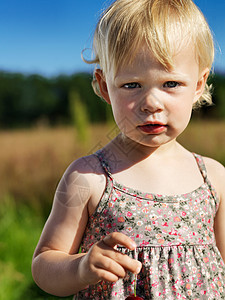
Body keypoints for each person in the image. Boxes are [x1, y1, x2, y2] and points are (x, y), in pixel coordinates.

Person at [32, 0, 225, 299]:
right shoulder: (88, 177)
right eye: (132, 85)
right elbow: (45, 264)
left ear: (199, 84)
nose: (151, 103)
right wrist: (81, 267)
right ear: (105, 86)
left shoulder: (213, 177)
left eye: (171, 83)